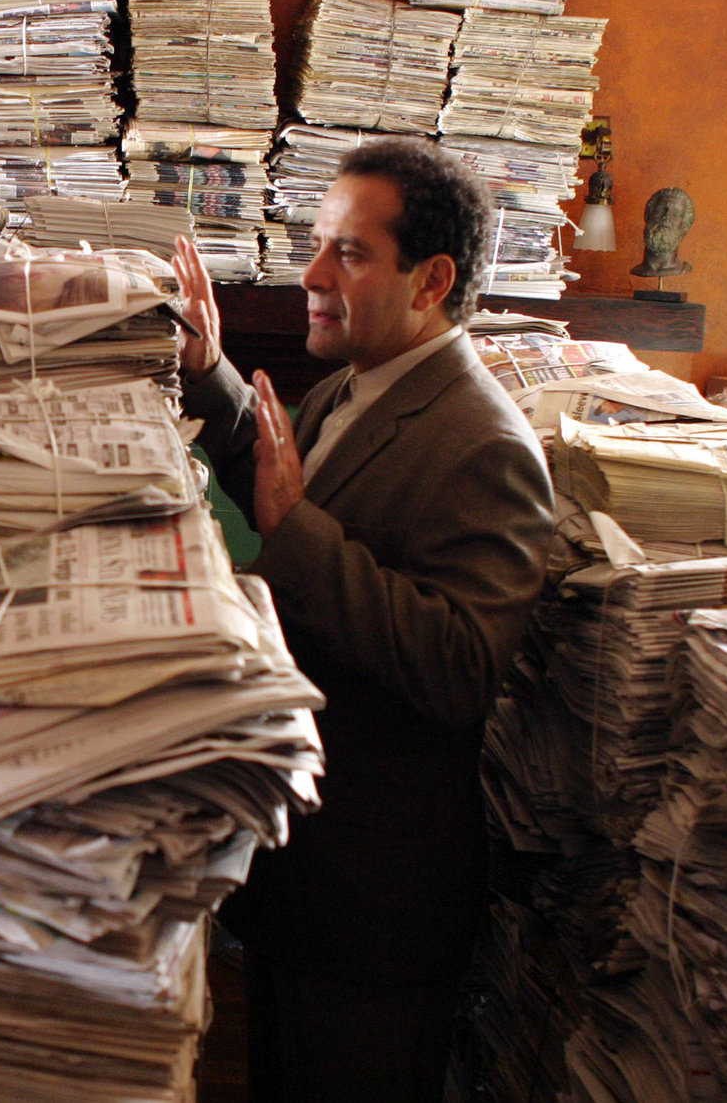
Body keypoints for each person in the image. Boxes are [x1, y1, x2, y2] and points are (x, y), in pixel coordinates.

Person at [171, 137, 555, 1103]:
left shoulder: (486, 445)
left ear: (432, 280)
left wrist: (295, 534)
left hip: (379, 904)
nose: (311, 274)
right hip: (309, 881)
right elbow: (285, 473)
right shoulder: (359, 382)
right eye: (317, 245)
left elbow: (461, 665)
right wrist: (210, 369)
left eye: (348, 253)